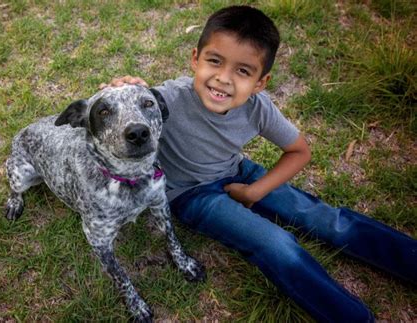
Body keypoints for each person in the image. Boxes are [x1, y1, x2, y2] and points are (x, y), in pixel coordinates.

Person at [101, 5, 416, 322]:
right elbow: (127, 108)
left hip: (238, 171)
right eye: (215, 61)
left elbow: (299, 151)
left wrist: (255, 191)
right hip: (190, 193)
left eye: (242, 71)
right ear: (195, 58)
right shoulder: (166, 98)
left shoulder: (258, 107)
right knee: (276, 243)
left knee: (324, 219)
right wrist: (124, 90)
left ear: (261, 82)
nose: (223, 79)